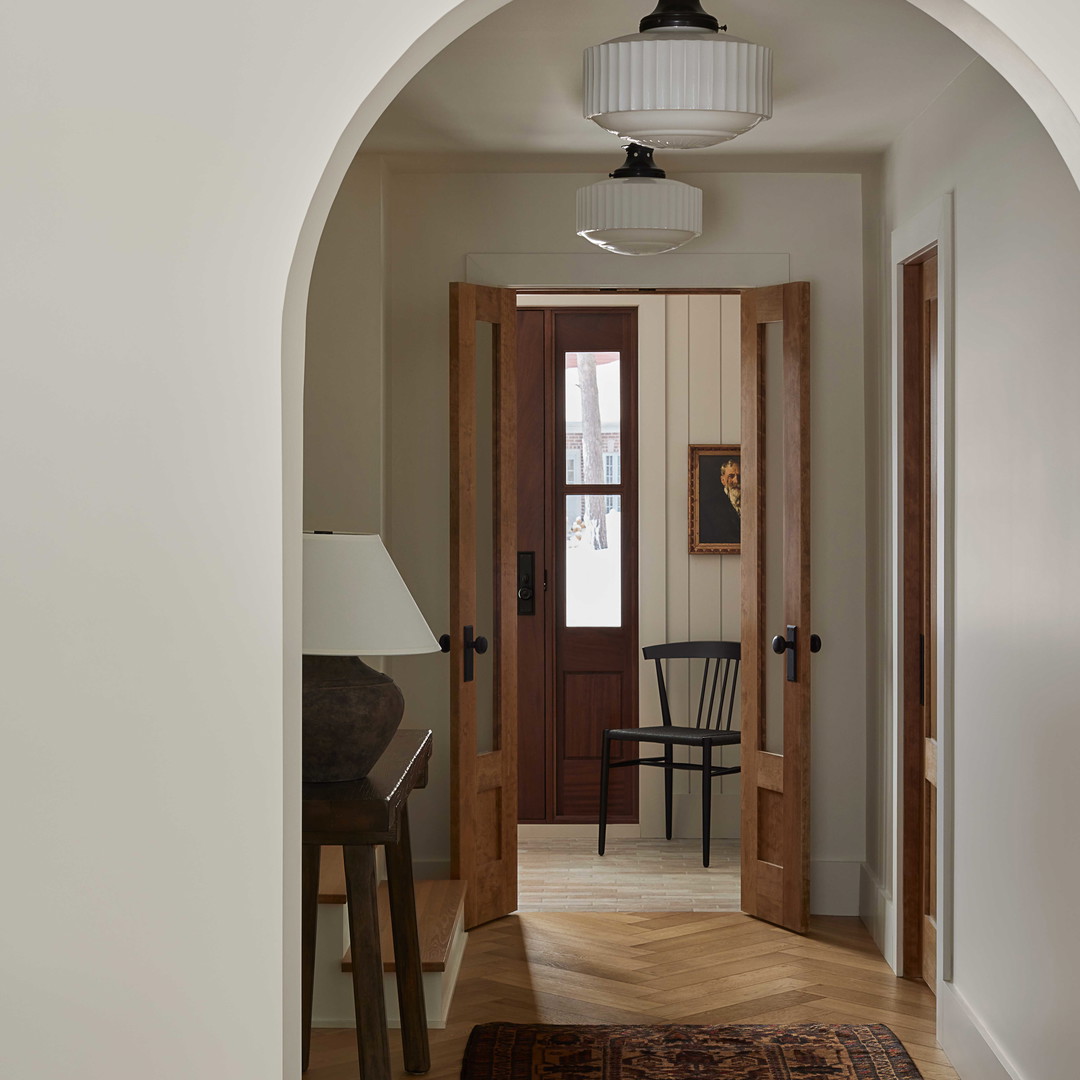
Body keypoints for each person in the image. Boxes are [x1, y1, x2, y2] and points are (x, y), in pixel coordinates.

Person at [698, 455, 741, 546]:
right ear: (723, 480)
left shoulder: (753, 503)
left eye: (739, 476)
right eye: (731, 476)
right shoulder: (710, 506)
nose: (737, 481)